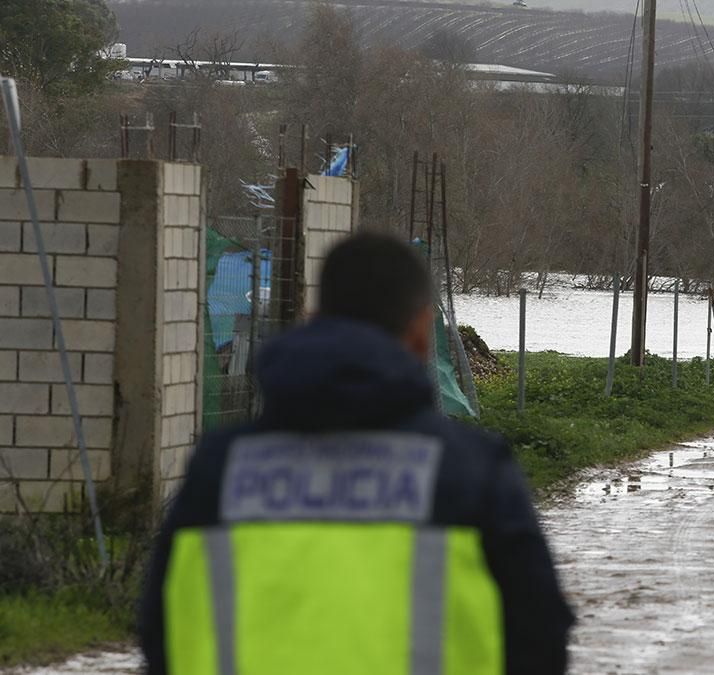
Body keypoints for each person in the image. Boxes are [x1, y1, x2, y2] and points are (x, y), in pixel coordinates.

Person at [140, 232, 574, 674]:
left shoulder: (221, 469)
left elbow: (161, 633)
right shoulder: (471, 474)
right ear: (423, 334)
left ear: (313, 319)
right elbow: (538, 642)